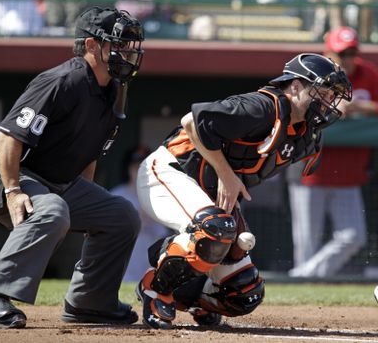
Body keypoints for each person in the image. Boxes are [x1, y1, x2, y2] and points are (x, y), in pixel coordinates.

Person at [134, 52, 352, 329]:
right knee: (214, 230)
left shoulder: (307, 135)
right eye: (321, 92)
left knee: (243, 294)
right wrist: (226, 177)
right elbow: (192, 122)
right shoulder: (261, 107)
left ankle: (187, 296)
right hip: (169, 170)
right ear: (295, 86)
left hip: (212, 194)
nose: (327, 102)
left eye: (331, 95)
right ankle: (155, 290)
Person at [0, 6, 145, 328]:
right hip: (6, 173)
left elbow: (89, 154)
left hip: (58, 179)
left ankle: (90, 303)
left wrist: (89, 200)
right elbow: (9, 137)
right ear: (92, 45)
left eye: (129, 46)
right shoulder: (61, 80)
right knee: (52, 210)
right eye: (118, 44)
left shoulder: (114, 90)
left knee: (120, 214)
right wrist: (12, 190)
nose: (127, 53)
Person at [288, 26, 378, 278]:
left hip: (349, 173)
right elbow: (296, 106)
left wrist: (358, 106)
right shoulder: (313, 72)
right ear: (328, 53)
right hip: (309, 171)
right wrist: (337, 105)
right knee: (306, 243)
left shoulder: (368, 73)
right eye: (342, 53)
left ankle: (302, 276)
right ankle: (302, 290)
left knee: (353, 236)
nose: (347, 59)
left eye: (351, 52)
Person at [110, 146, 173, 282]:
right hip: (125, 258)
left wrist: (150, 219)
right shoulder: (116, 195)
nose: (138, 172)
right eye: (135, 167)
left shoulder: (158, 195)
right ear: (128, 169)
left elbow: (165, 235)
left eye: (143, 167)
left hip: (149, 257)